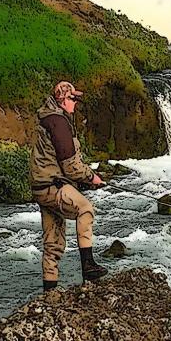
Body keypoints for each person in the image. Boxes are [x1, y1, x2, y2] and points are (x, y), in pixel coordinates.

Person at [29, 81, 107, 291]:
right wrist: (92, 178)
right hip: (53, 186)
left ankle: (49, 291)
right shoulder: (58, 122)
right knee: (85, 209)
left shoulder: (48, 118)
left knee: (52, 243)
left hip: (41, 187)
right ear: (63, 100)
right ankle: (88, 267)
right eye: (73, 99)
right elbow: (70, 165)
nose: (75, 104)